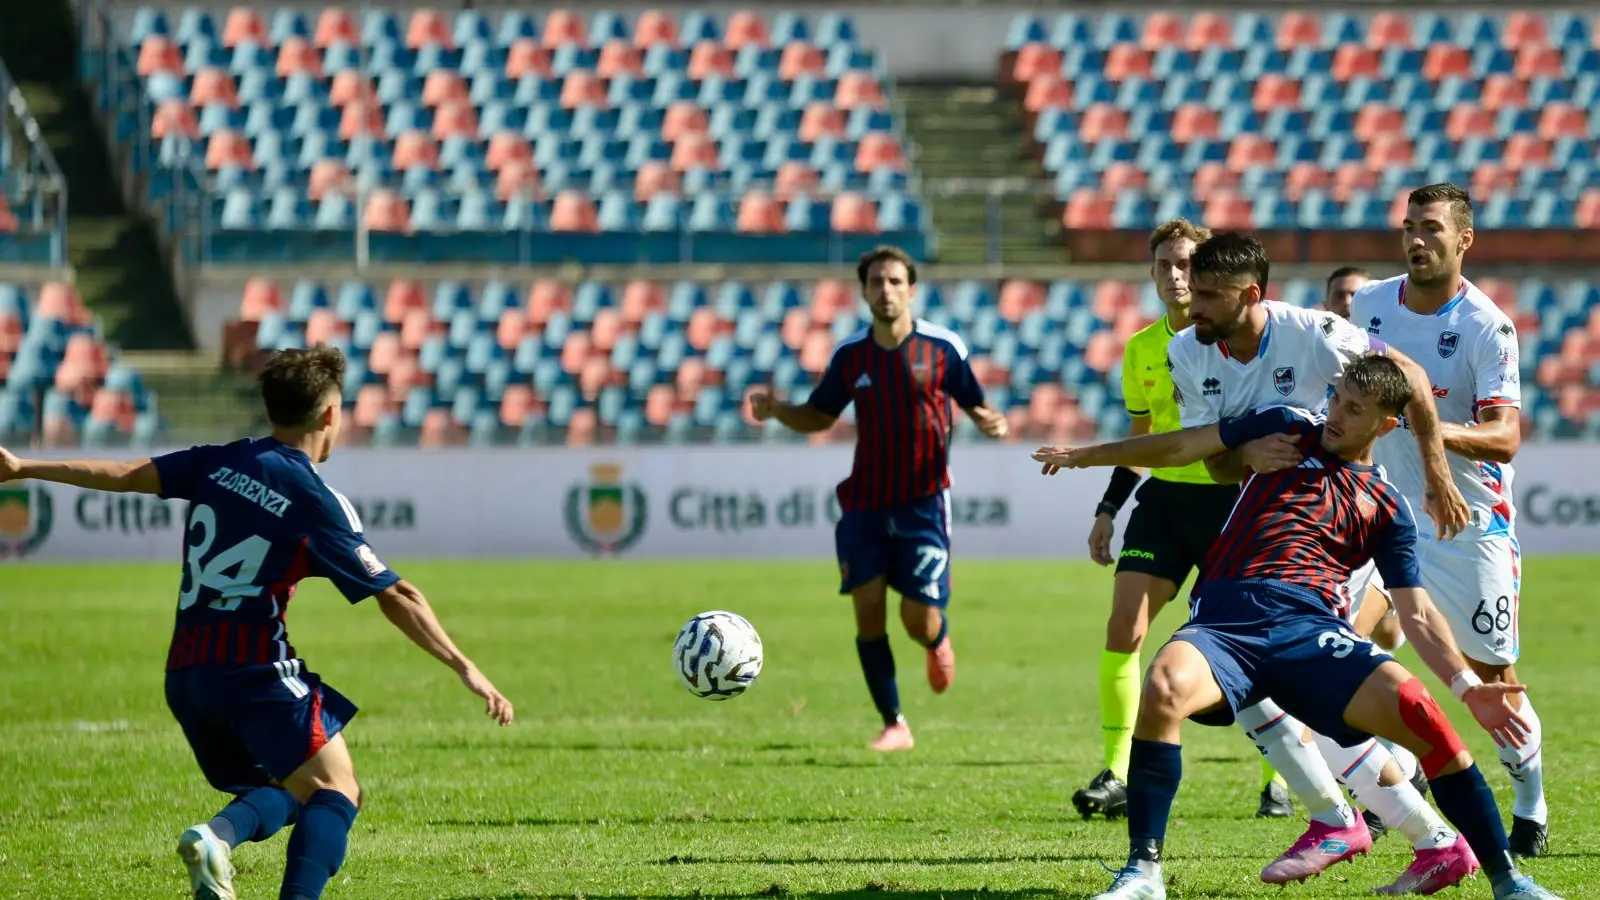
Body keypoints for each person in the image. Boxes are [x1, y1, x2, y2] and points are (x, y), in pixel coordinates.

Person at [1032, 355, 1564, 900]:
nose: (1335, 414)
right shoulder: (1286, 427)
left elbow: (1418, 613)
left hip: (1313, 634)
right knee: (1164, 685)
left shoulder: (1386, 506)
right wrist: (1085, 456)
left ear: (1385, 425)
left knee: (1423, 715)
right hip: (1225, 623)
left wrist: (1468, 688)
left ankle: (1509, 881)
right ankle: (1143, 875)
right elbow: (1180, 447)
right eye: (1337, 398)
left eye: (1354, 409)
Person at [0, 346, 514, 900]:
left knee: (291, 785)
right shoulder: (314, 498)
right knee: (338, 791)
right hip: (254, 673)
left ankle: (217, 837)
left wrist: (25, 467)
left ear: (270, 409)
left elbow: (125, 473)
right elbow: (396, 593)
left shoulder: (221, 461)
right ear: (331, 414)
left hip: (186, 676)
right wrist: (465, 666)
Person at [1047, 231, 1478, 891]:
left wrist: (1438, 475)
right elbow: (1210, 456)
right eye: (1181, 279)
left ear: (1248, 293)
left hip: (1339, 529)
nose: (1189, 300)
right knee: (1261, 692)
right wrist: (1242, 456)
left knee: (1309, 691)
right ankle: (1393, 830)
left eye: (1205, 290)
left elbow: (1411, 380)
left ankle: (1391, 827)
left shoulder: (1315, 333)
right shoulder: (1185, 351)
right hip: (1268, 532)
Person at [1072, 218, 1294, 821]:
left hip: (1234, 502)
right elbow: (1142, 439)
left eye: (1186, 265)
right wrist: (1108, 508)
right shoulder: (1141, 348)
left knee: (1259, 637)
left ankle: (1278, 779)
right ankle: (1117, 771)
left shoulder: (1238, 336)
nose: (1175, 275)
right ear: (1151, 274)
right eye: (1164, 265)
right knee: (1124, 627)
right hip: (1166, 503)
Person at [1351, 183, 1548, 858]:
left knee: (1494, 683)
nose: (1416, 239)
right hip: (1383, 517)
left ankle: (1530, 803)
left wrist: (1424, 426)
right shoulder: (1371, 304)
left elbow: (1505, 437)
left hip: (1468, 527)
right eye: (1409, 226)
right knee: (1334, 655)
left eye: (1431, 228)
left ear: (1464, 240)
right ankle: (1397, 784)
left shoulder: (1487, 327)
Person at [749, 245, 1008, 751]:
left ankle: (936, 640)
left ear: (911, 290)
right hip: (865, 502)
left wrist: (990, 420)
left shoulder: (942, 348)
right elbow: (819, 415)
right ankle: (894, 723)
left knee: (916, 620)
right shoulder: (851, 355)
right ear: (864, 292)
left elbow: (976, 404)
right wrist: (779, 410)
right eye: (876, 282)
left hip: (924, 502)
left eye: (894, 282)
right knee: (867, 610)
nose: (885, 290)